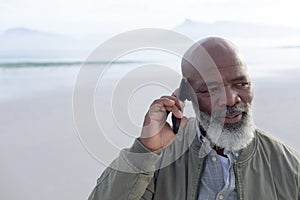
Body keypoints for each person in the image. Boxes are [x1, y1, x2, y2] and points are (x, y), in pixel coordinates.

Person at [89, 37, 300, 200]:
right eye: (211, 89)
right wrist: (145, 150)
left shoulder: (290, 166)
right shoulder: (157, 160)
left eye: (241, 84)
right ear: (186, 94)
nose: (230, 99)